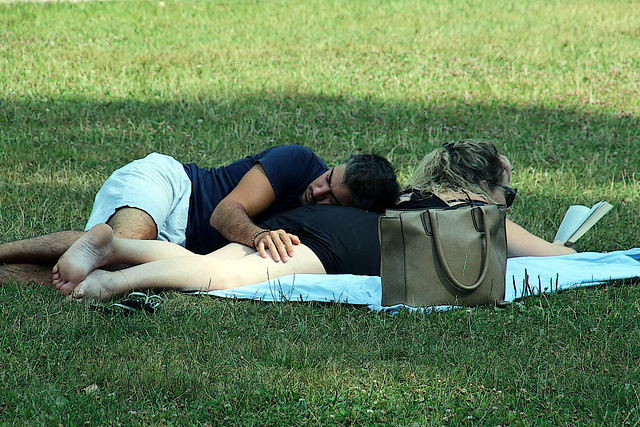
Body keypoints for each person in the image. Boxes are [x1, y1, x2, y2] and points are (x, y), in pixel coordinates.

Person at [52, 139, 576, 302]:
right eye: (505, 189)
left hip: (332, 240)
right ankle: (111, 281)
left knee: (209, 265)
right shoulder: (485, 219)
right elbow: (565, 260)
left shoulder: (408, 200)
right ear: (482, 187)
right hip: (335, 248)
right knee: (220, 276)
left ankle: (110, 249)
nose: (507, 198)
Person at [0, 145, 399, 288]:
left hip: (177, 249)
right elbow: (226, 213)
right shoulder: (297, 162)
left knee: (107, 269)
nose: (318, 191)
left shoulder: (334, 229)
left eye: (333, 200)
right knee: (121, 252)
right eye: (329, 178)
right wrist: (260, 236)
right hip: (174, 189)